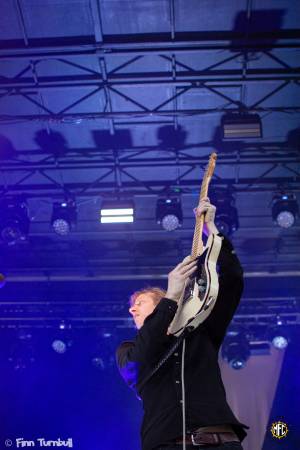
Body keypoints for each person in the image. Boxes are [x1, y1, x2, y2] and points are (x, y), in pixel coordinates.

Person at [116, 198, 249, 450]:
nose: (132, 308)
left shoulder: (201, 332)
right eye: (132, 306)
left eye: (141, 302)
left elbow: (233, 280)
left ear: (162, 304)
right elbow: (139, 363)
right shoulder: (127, 350)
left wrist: (212, 231)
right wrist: (171, 296)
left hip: (222, 442)